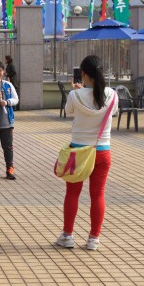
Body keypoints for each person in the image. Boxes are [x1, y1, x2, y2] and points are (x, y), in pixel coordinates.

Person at [55, 55, 117, 251]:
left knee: (72, 193)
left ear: (82, 73)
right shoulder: (113, 95)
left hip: (79, 151)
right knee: (98, 194)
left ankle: (68, 235)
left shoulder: (75, 95)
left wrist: (76, 92)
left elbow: (69, 111)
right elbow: (113, 113)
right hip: (102, 151)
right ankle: (93, 239)